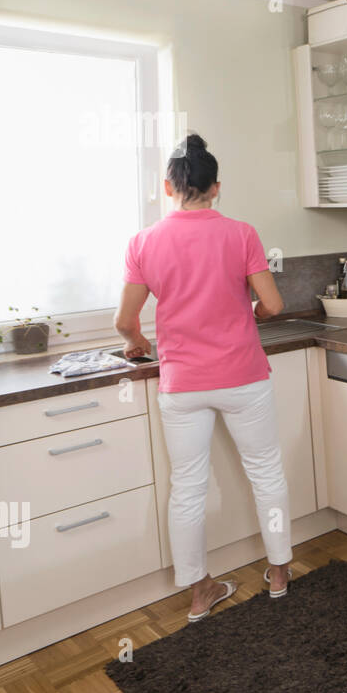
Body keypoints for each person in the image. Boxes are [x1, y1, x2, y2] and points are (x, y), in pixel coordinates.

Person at [114, 133, 294, 623]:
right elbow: (274, 305)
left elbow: (125, 322)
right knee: (267, 473)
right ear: (216, 188)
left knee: (187, 487)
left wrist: (141, 345)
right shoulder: (241, 233)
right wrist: (246, 309)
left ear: (169, 186)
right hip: (243, 376)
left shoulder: (144, 242)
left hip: (182, 384)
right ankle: (278, 573)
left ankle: (200, 592)